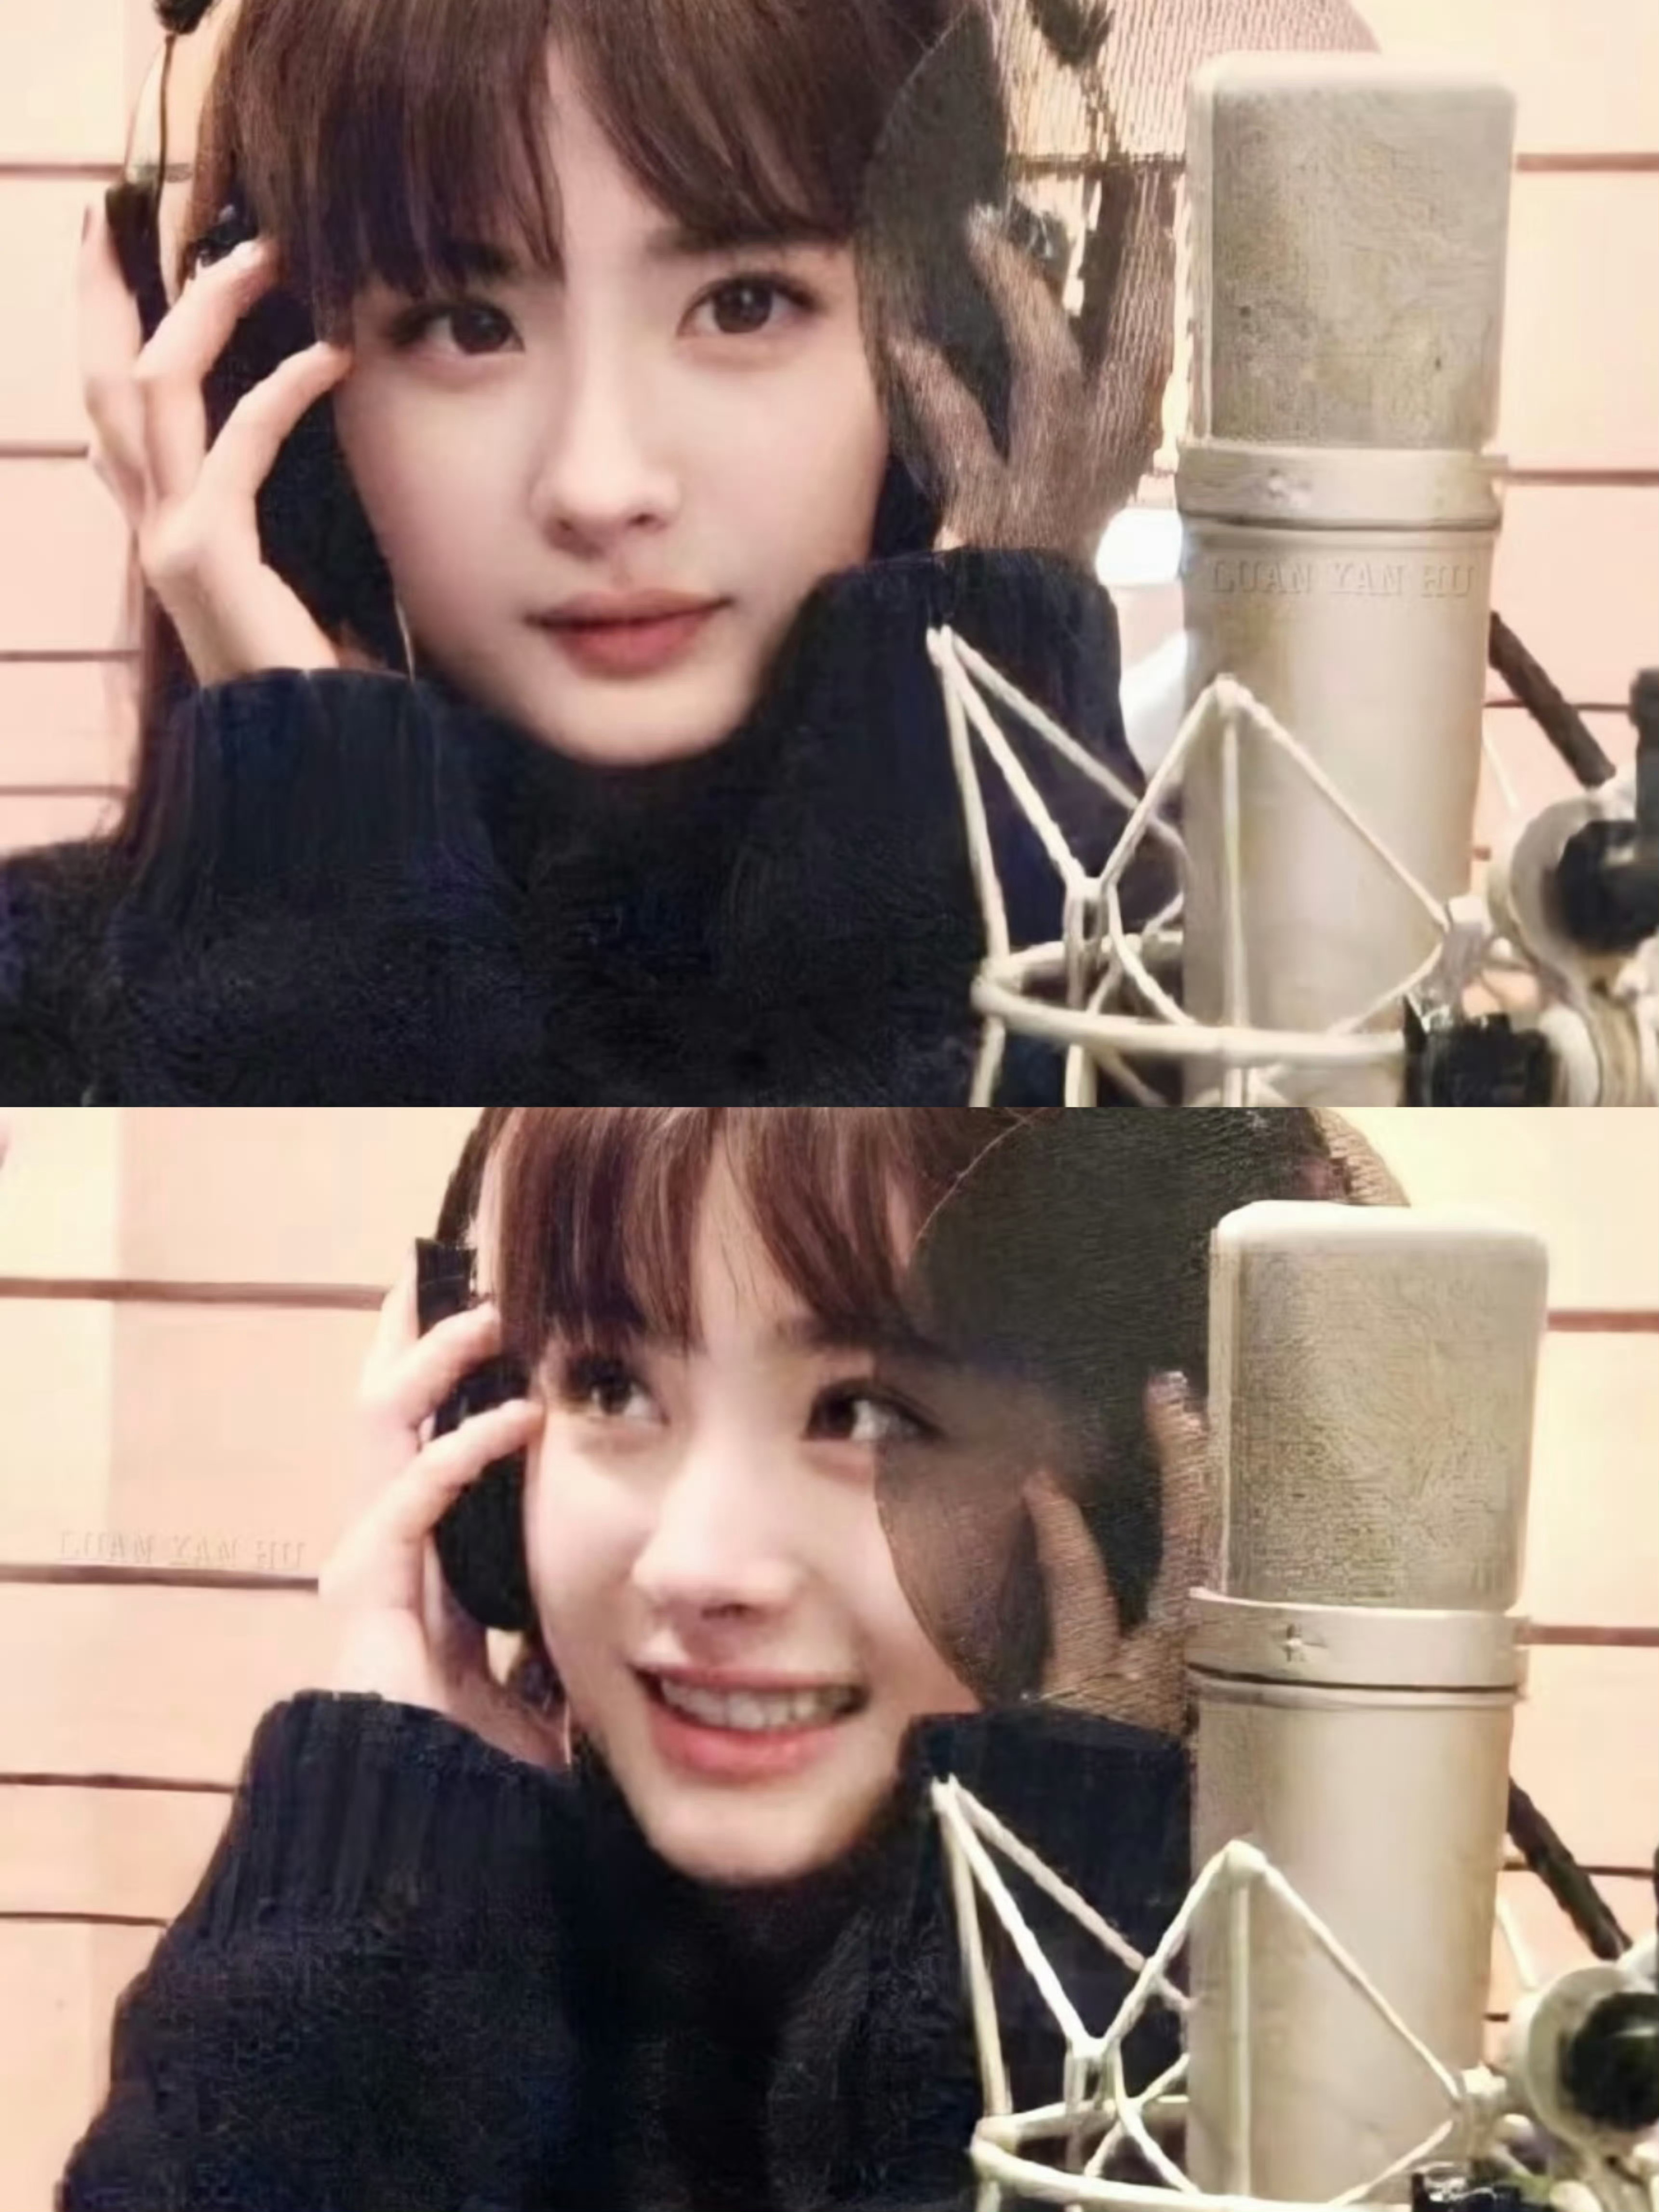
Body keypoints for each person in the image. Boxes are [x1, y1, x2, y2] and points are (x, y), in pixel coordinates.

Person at [56, 1105, 1402, 2211]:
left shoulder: (1335, 2086)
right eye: (610, 1386)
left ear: (1155, 1495)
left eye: (865, 1412)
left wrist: (1036, 1981)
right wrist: (379, 1897)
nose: (694, 1566)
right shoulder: (392, 1970)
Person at [0, 0, 1164, 1106]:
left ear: (964, 353)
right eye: (468, 327)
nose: (601, 489)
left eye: (744, 305)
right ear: (268, 398)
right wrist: (316, 864)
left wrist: (987, 734)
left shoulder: (1195, 974)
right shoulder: (36, 1009)